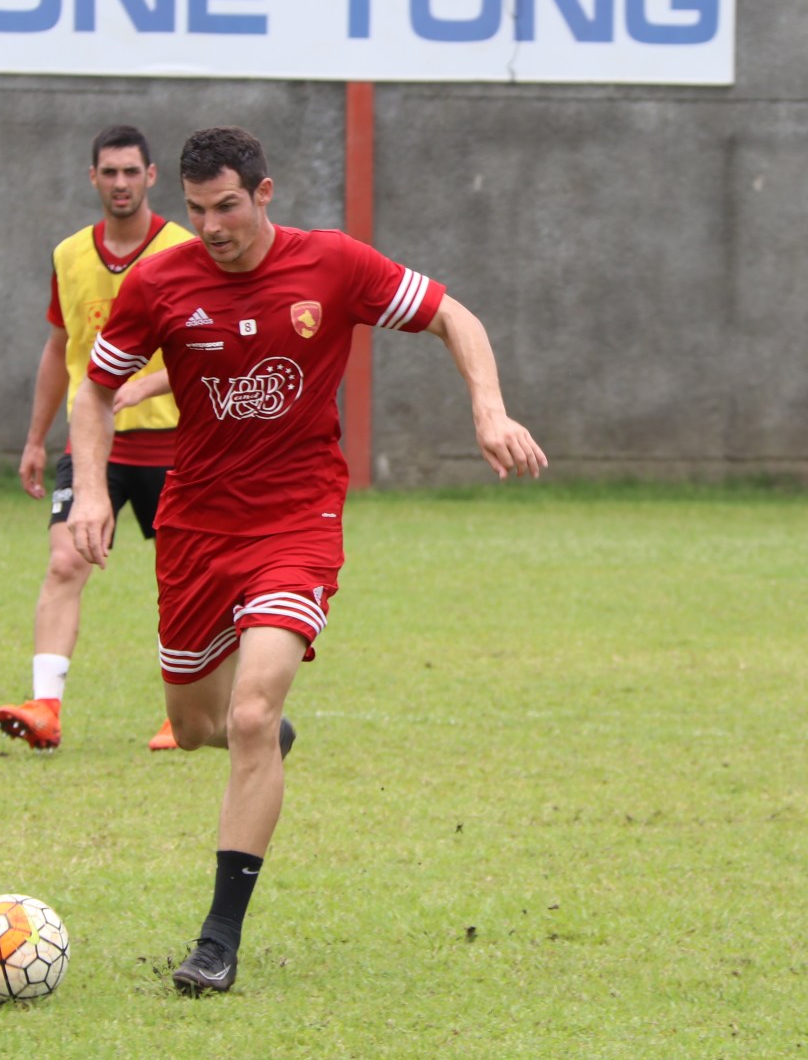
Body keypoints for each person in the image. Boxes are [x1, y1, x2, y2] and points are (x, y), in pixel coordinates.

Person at [69, 125, 546, 996]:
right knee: (198, 726)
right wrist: (94, 491)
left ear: (264, 193)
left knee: (250, 716)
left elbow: (452, 314)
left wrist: (488, 408)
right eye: (196, 209)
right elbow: (95, 387)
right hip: (196, 528)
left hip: (297, 519)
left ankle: (217, 941)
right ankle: (259, 737)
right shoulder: (160, 281)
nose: (210, 226)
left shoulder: (332, 264)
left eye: (226, 207)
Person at [0, 125, 195, 753]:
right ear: (93, 179)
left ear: (152, 176)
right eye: (108, 172)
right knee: (64, 562)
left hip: (176, 446)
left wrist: (144, 387)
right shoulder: (69, 255)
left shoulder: (187, 250)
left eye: (131, 172)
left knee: (189, 580)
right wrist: (35, 437)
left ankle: (188, 715)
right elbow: (60, 348)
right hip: (92, 448)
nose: (120, 183)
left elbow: (205, 351)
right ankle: (45, 707)